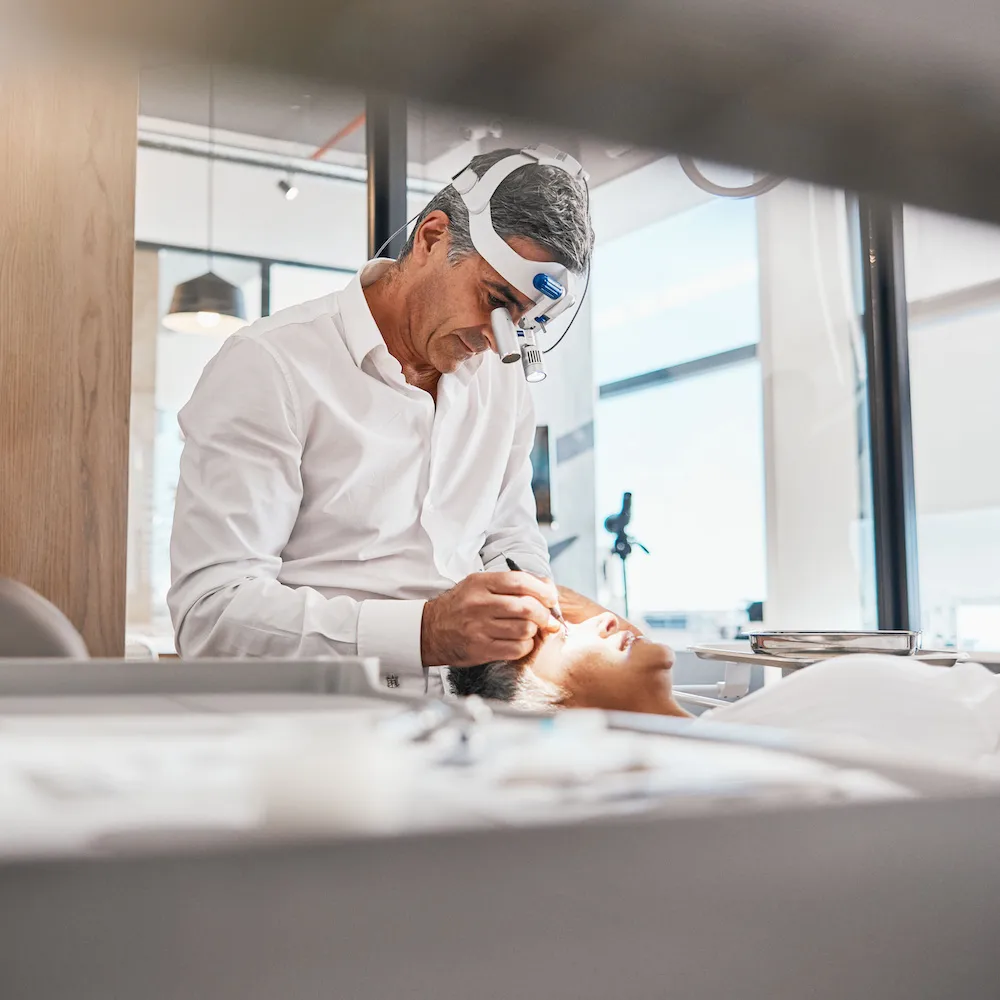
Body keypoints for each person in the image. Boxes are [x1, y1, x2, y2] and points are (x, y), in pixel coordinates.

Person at [168, 147, 637, 692]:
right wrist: (424, 632)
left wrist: (544, 613)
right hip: (308, 729)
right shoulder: (270, 365)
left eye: (521, 323)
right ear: (432, 238)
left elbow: (508, 537)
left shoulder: (500, 382)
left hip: (464, 730)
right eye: (494, 300)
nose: (494, 340)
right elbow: (212, 616)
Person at [449, 617, 1000, 770]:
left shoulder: (743, 728)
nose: (596, 620)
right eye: (558, 632)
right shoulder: (734, 772)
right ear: (540, 699)